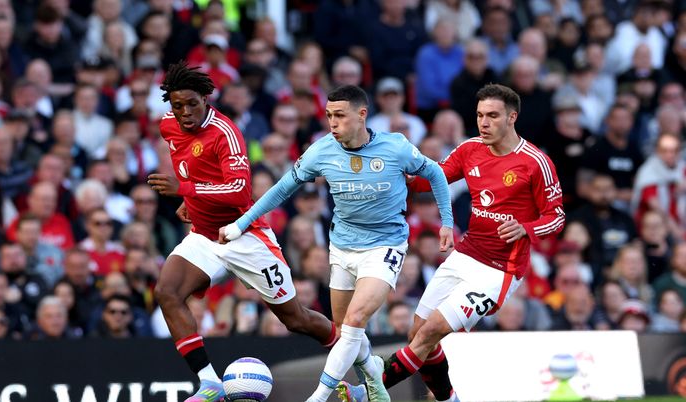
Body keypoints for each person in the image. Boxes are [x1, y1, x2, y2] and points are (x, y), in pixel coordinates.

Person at [220, 84, 454, 402]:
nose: (332, 123)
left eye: (339, 115)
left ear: (361, 115)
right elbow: (281, 188)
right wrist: (241, 223)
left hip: (384, 246)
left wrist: (447, 223)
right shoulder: (321, 151)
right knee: (346, 331)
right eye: (329, 115)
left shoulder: (396, 147)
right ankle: (373, 378)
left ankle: (319, 395)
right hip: (341, 248)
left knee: (356, 321)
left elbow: (437, 175)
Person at [337, 84, 565, 402]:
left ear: (512, 117)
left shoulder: (534, 162)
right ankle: (449, 400)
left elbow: (556, 217)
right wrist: (390, 168)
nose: (484, 123)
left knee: (430, 332)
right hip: (466, 254)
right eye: (480, 115)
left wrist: (526, 228)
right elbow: (430, 179)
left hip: (499, 270)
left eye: (493, 116)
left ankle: (367, 392)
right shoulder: (470, 149)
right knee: (417, 333)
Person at [147, 62, 336, 402]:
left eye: (193, 103)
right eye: (178, 106)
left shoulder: (225, 133)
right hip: (205, 235)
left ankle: (353, 354)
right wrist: (194, 203)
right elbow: (195, 168)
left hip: (242, 235)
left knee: (296, 319)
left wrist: (187, 190)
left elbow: (239, 191)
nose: (186, 112)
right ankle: (210, 384)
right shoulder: (167, 127)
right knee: (167, 291)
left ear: (207, 99)